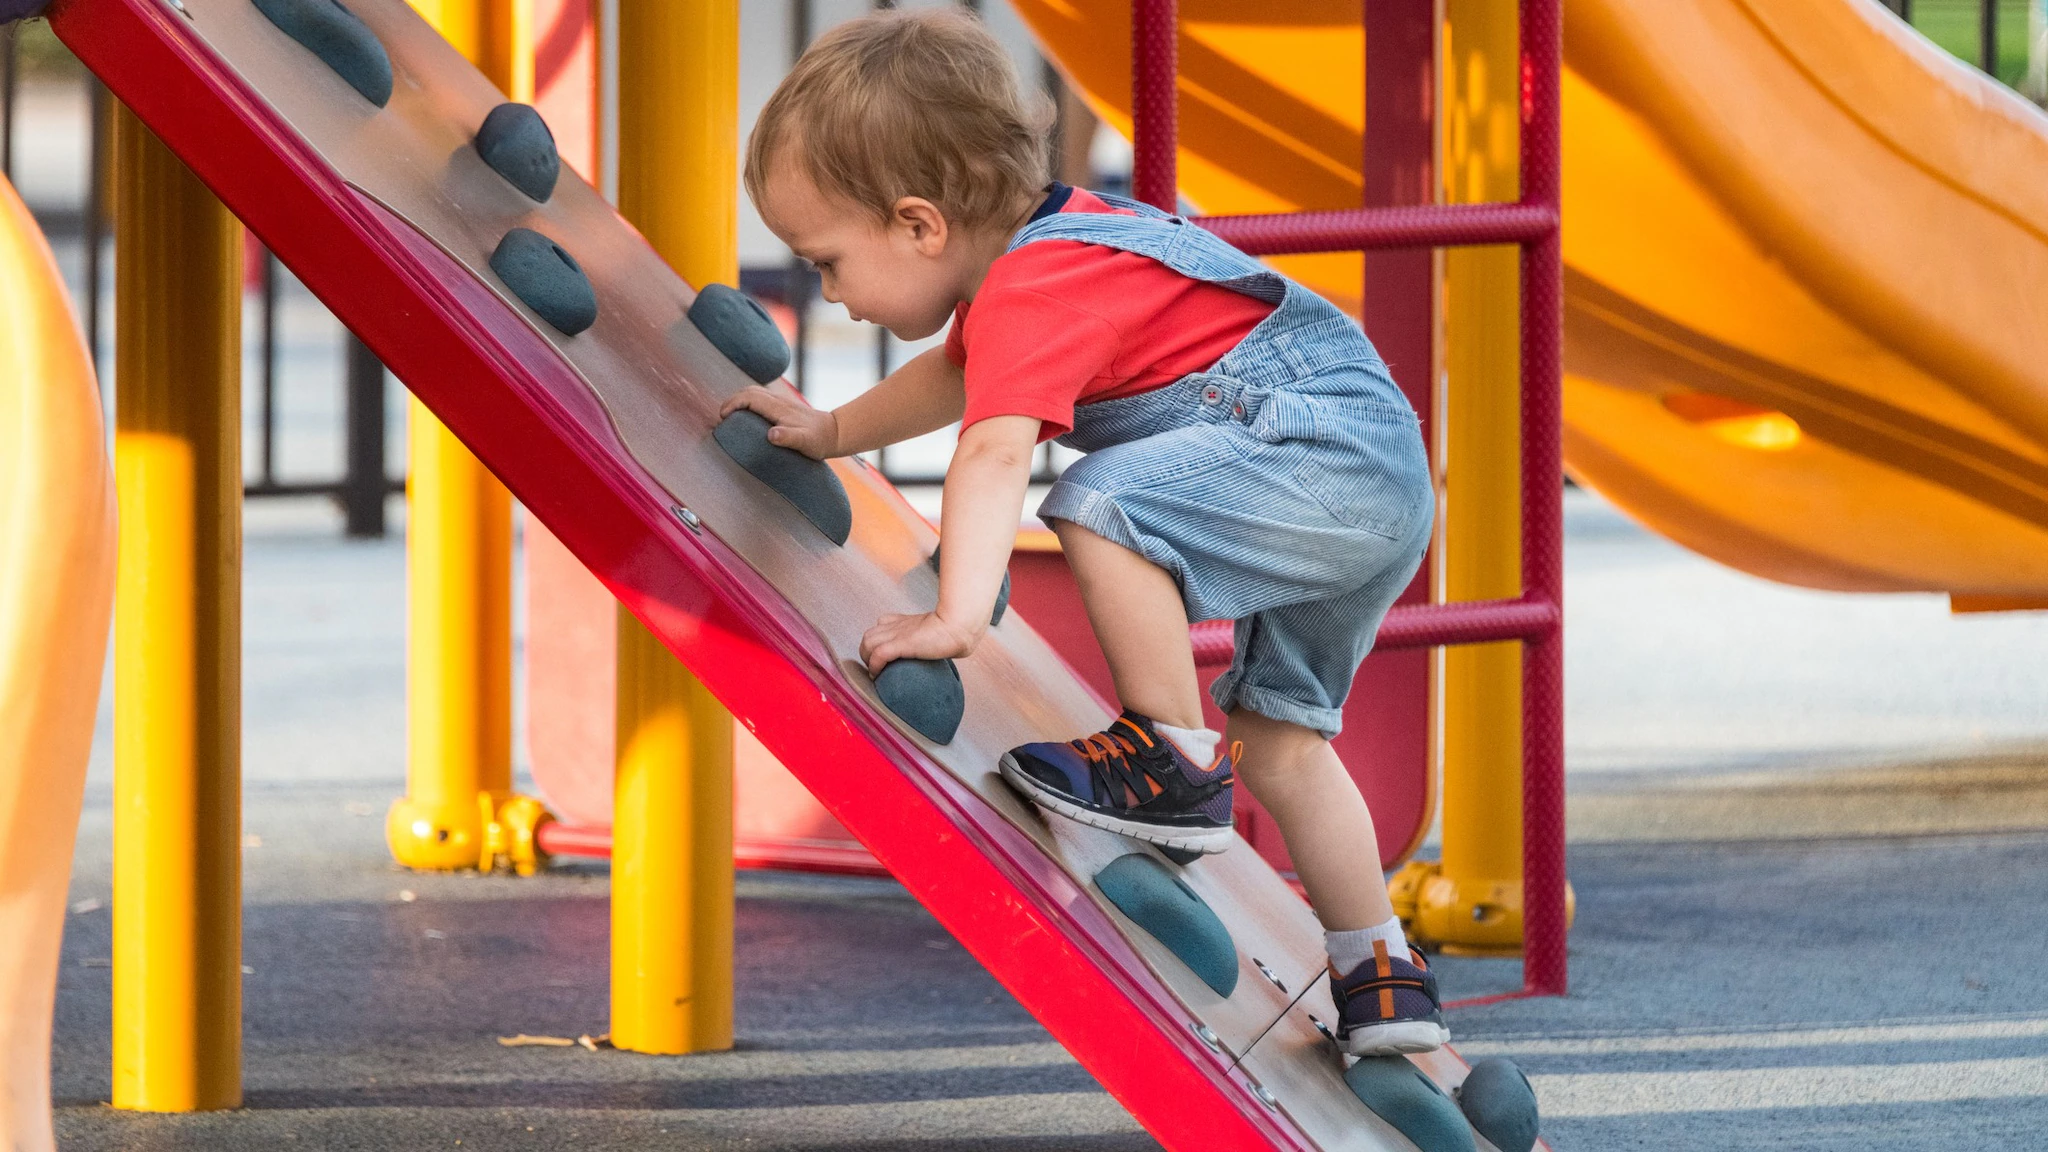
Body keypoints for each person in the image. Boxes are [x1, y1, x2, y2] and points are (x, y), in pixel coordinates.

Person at [722, 9, 1443, 1056]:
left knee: (1100, 500)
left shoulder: (1037, 280)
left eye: (826, 260)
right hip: (1371, 477)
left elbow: (990, 449)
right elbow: (954, 379)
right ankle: (1379, 974)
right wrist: (833, 429)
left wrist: (954, 619)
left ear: (920, 224)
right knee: (1285, 742)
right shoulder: (1051, 252)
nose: (828, 290)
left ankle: (1168, 756)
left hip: (1312, 450)